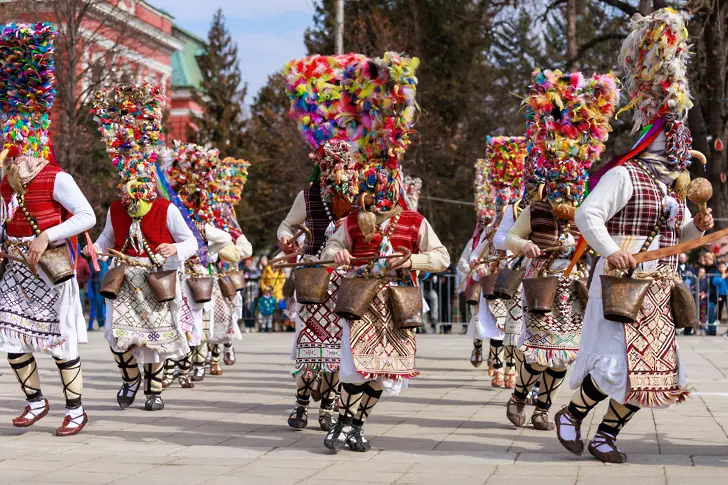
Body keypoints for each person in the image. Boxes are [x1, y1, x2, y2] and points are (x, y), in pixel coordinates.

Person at [556, 8, 714, 463]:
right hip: (622, 287)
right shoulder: (626, 176)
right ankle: (571, 415)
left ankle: (606, 433)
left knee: (655, 373)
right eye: (674, 144)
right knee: (614, 368)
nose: (679, 154)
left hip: (659, 291)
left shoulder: (673, 189)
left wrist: (696, 226)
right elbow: (588, 215)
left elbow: (679, 231)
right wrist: (610, 253)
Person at [321, 51, 450, 453]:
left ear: (395, 187)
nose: (377, 198)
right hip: (360, 301)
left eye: (384, 190)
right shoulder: (351, 221)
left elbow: (443, 257)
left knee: (384, 374)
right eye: (370, 191)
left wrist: (412, 260)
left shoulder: (414, 221)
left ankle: (355, 424)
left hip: (397, 303)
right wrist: (337, 255)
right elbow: (330, 248)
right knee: (355, 370)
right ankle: (344, 421)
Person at [505, 68, 618, 431]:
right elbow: (508, 238)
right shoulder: (536, 210)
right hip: (541, 285)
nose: (566, 195)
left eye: (572, 189)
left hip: (574, 290)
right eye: (561, 188)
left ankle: (543, 405)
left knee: (562, 357)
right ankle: (520, 396)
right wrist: (524, 245)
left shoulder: (587, 213)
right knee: (539, 354)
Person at [0, 22, 95, 436]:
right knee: (10, 336)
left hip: (51, 266)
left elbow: (88, 216)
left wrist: (46, 235)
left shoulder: (56, 177)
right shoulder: (4, 182)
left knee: (60, 340)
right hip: (17, 268)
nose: (12, 155)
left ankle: (76, 409)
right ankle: (36, 401)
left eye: (17, 146)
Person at [90, 82, 198, 411]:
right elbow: (108, 238)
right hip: (123, 280)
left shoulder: (166, 209)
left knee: (155, 337)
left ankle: (153, 390)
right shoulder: (116, 209)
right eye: (129, 181)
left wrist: (173, 251)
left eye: (141, 180)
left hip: (155, 280)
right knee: (116, 335)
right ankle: (129, 379)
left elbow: (190, 241)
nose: (135, 189)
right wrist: (95, 248)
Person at [474, 136, 527, 389]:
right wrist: (480, 266)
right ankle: (497, 367)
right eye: (501, 200)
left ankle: (513, 372)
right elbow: (475, 255)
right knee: (497, 331)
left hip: (517, 283)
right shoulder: (491, 230)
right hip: (496, 284)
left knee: (513, 331)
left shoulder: (523, 226)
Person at [88, 256, 108, 331]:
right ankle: (100, 324)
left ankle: (105, 323)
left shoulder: (106, 261)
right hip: (97, 288)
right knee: (98, 306)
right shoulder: (94, 261)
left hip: (105, 287)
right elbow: (93, 273)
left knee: (105, 306)